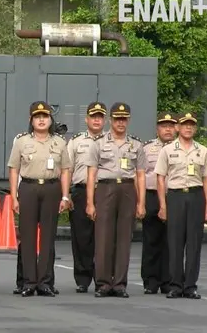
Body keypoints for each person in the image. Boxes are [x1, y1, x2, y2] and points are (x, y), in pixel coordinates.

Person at [8, 101, 71, 297]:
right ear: (31, 120)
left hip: (52, 188)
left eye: (45, 116)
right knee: (27, 237)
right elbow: (13, 169)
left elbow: (66, 170)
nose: (41, 120)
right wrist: (13, 197)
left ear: (51, 119)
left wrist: (65, 195)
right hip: (28, 187)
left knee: (47, 238)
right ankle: (29, 282)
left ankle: (44, 282)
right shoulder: (22, 141)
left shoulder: (59, 142)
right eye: (37, 117)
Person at [85, 102, 146, 298]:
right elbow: (91, 174)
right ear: (110, 120)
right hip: (105, 188)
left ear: (128, 121)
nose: (121, 123)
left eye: (124, 119)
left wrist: (141, 202)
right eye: (117, 119)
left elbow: (141, 175)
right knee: (103, 237)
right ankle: (103, 283)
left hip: (128, 188)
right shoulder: (99, 143)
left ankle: (119, 283)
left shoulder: (136, 145)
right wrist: (89, 202)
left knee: (124, 238)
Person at [155, 112, 207, 299]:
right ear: (177, 128)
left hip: (196, 196)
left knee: (194, 243)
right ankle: (175, 285)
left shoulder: (203, 151)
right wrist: (163, 205)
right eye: (184, 124)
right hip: (175, 196)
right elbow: (160, 178)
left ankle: (190, 286)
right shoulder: (167, 150)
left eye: (192, 124)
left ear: (195, 128)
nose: (188, 127)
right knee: (175, 242)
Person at [65, 102, 106, 293]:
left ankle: (103, 278)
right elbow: (67, 169)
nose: (97, 120)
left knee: (104, 238)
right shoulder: (76, 141)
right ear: (86, 119)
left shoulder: (110, 141)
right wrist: (66, 195)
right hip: (81, 191)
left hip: (104, 191)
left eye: (100, 116)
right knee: (82, 237)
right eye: (93, 116)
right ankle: (82, 279)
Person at [141, 112, 177, 295]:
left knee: (171, 240)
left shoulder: (181, 149)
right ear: (157, 129)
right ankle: (150, 280)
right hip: (152, 195)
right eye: (164, 126)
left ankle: (168, 280)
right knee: (151, 239)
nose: (168, 129)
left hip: (174, 196)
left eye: (171, 125)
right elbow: (139, 174)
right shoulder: (147, 148)